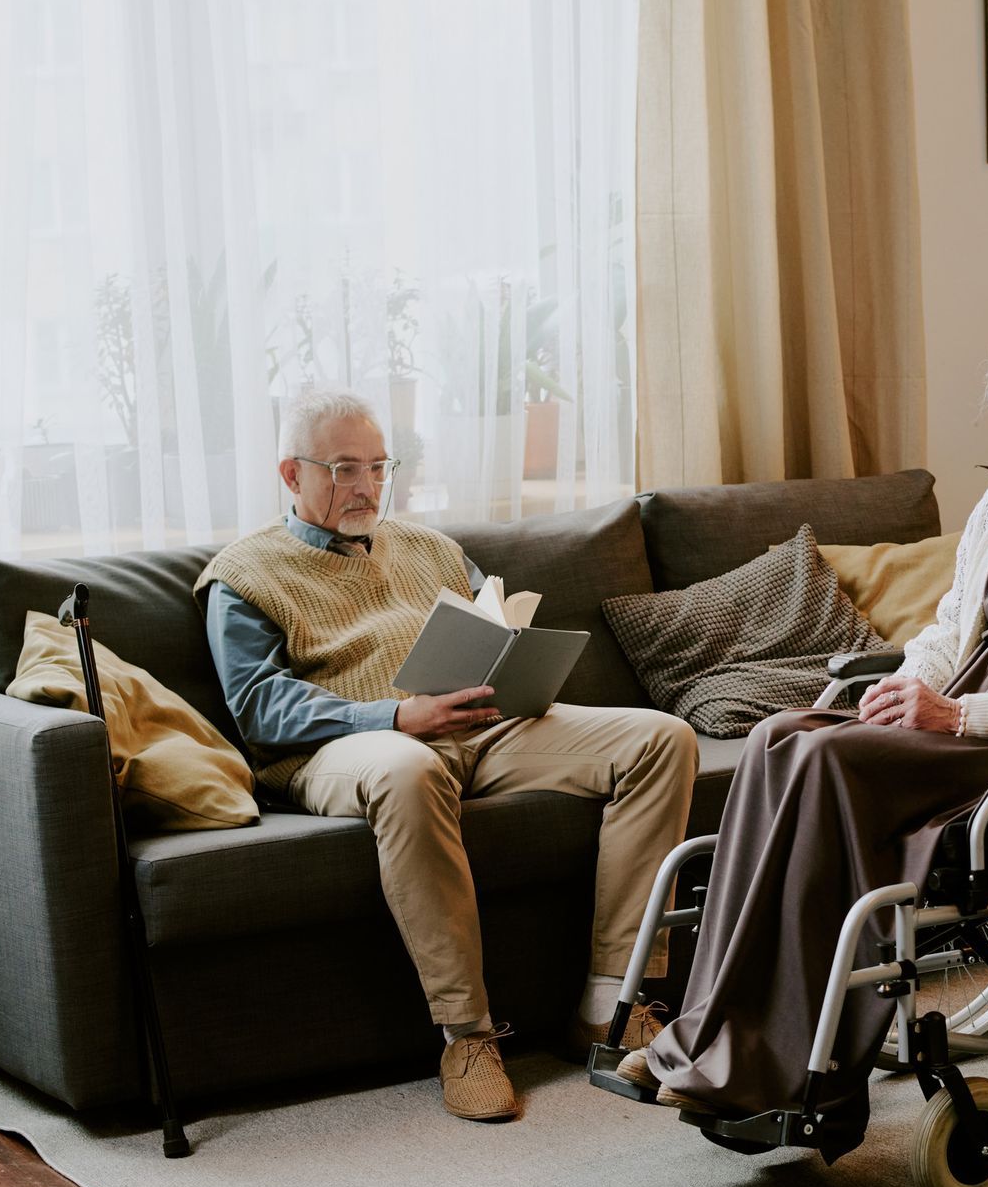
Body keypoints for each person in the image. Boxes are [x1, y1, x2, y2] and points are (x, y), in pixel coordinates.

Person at [613, 284, 988, 1155]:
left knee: (829, 765)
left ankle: (785, 1069)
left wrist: (959, 714)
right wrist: (894, 693)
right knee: (783, 736)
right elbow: (949, 626)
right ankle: (709, 1039)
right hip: (961, 706)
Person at [195, 390, 696, 1123]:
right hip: (346, 750)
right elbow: (261, 710)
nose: (365, 487)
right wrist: (398, 715)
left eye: (376, 467)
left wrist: (513, 672)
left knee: (660, 738)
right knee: (410, 765)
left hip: (477, 728)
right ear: (290, 474)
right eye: (342, 469)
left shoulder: (431, 548)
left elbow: (489, 628)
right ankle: (467, 1035)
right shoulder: (243, 575)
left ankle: (610, 1006)